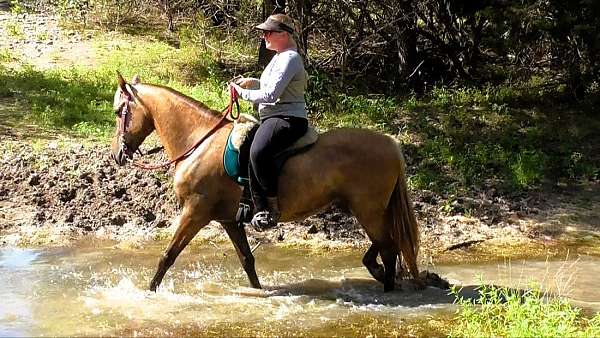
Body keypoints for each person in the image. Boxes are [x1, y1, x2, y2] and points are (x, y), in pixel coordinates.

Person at [230, 13, 308, 229]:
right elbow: (269, 86)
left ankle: (270, 208)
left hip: (286, 118)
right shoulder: (280, 56)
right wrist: (252, 83)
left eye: (267, 32)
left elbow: (271, 95)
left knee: (258, 151)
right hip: (273, 116)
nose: (264, 37)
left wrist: (241, 93)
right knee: (246, 146)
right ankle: (250, 202)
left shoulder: (290, 57)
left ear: (283, 34)